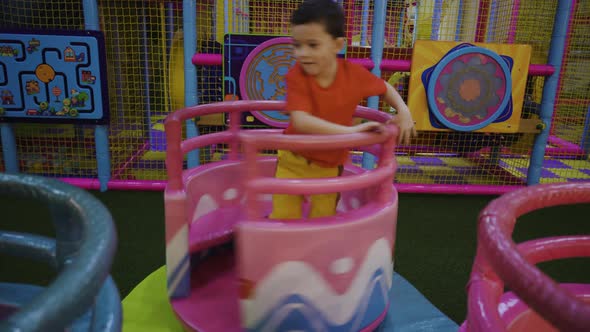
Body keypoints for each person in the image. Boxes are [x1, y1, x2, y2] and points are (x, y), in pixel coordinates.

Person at [269, 0, 417, 220]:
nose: (302, 53)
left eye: (313, 45)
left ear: (337, 45)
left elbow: (385, 88)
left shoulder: (353, 76)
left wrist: (404, 112)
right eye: (297, 45)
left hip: (329, 166)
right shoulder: (297, 76)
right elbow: (301, 122)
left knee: (323, 219)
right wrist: (352, 133)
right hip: (294, 160)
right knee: (283, 217)